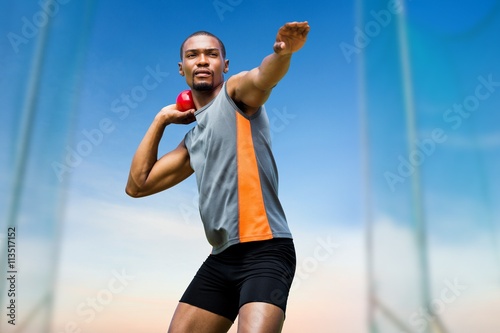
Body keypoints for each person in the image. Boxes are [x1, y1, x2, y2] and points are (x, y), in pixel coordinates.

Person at [126, 21, 310, 333]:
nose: (201, 60)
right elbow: (138, 185)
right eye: (193, 55)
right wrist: (161, 120)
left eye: (211, 55)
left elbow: (262, 78)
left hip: (265, 251)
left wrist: (282, 55)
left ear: (223, 65)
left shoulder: (236, 96)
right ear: (182, 68)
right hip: (221, 259)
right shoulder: (192, 141)